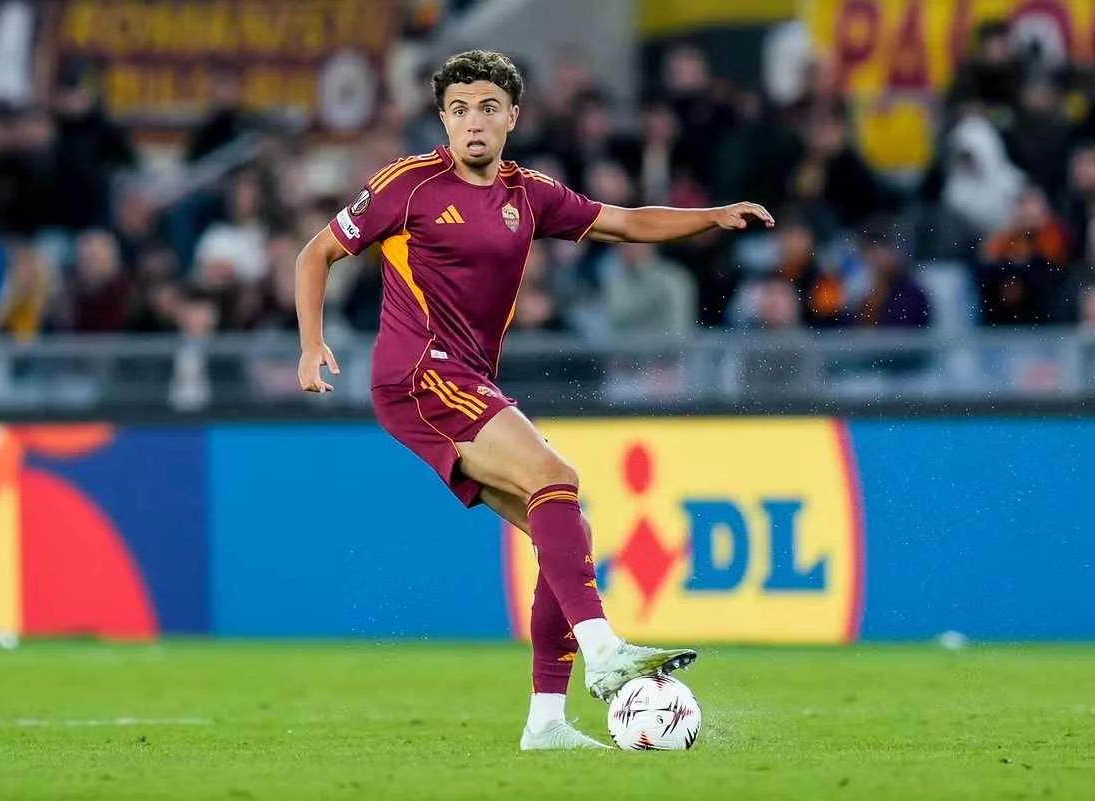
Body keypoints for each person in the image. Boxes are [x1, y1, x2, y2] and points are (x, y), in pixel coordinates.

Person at [293, 50, 773, 751]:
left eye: (488, 108)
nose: (473, 121)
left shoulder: (530, 194)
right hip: (418, 374)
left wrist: (712, 215)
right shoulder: (408, 184)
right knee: (556, 476)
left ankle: (547, 722)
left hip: (468, 378)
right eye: (459, 110)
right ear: (443, 120)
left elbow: (626, 222)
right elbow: (315, 254)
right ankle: (604, 651)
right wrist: (312, 344)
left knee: (564, 528)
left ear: (512, 117)